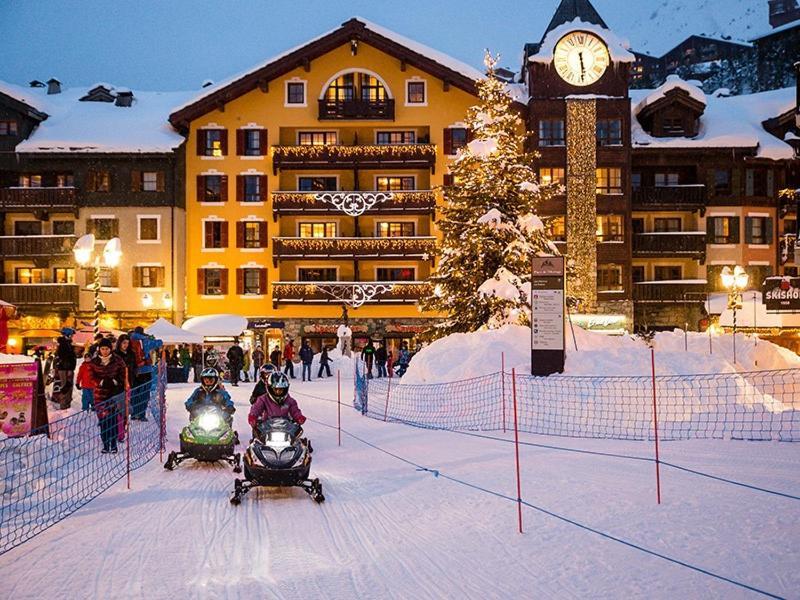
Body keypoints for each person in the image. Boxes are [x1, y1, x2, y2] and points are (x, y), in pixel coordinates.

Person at [87, 338, 127, 453]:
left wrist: (116, 381)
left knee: (113, 420)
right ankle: (105, 444)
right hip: (100, 396)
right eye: (102, 349)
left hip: (114, 394)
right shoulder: (94, 362)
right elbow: (91, 376)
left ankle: (114, 444)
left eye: (107, 349)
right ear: (99, 349)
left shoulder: (118, 360)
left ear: (111, 349)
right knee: (103, 421)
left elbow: (123, 373)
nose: (104, 351)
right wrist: (100, 382)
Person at [248, 372, 306, 440]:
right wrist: (253, 416)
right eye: (276, 389)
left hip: (285, 427)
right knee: (258, 439)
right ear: (270, 388)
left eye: (281, 389)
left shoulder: (290, 400)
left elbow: (295, 411)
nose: (278, 391)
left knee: (295, 440)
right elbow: (256, 408)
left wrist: (299, 417)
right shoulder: (263, 399)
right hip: (267, 427)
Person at [130, 326, 162, 421]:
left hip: (134, 371)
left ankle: (134, 414)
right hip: (146, 371)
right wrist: (151, 337)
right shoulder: (146, 341)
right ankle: (141, 414)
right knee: (144, 394)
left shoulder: (130, 340)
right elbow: (159, 342)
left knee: (134, 393)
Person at [52, 327, 77, 409]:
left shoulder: (67, 343)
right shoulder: (64, 344)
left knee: (68, 386)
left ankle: (67, 404)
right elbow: (65, 357)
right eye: (71, 335)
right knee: (65, 387)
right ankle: (64, 405)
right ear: (68, 335)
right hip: (65, 368)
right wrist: (69, 368)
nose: (72, 336)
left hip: (67, 368)